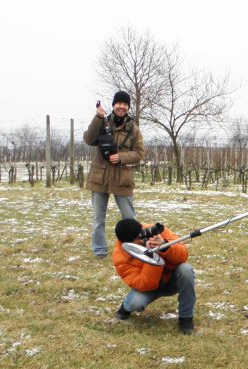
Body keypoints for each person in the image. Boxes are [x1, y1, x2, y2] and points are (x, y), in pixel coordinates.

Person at [83, 90, 146, 258]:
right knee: (98, 218)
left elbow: (139, 153)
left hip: (122, 178)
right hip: (100, 177)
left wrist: (121, 157)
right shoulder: (102, 122)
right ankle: (99, 250)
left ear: (128, 107)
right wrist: (98, 117)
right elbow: (88, 139)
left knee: (129, 218)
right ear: (113, 105)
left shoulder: (133, 129)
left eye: (125, 104)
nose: (122, 107)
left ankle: (135, 249)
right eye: (119, 103)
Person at [112, 218, 196, 334]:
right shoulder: (120, 257)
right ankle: (125, 307)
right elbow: (145, 284)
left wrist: (165, 246)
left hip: (170, 280)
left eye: (141, 234)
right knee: (135, 303)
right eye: (138, 239)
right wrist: (152, 257)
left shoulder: (155, 231)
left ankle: (186, 319)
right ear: (128, 244)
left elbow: (183, 256)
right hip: (148, 288)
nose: (142, 239)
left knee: (186, 270)